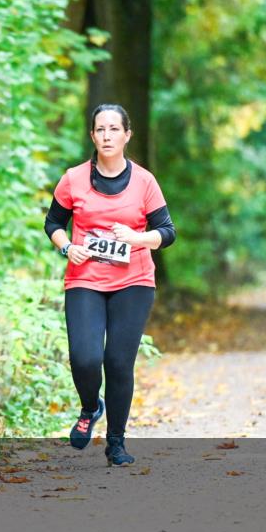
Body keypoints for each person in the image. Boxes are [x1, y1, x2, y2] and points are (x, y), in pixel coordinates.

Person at [44, 104, 176, 467]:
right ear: (92, 135)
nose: (107, 136)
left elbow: (167, 232)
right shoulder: (73, 179)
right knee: (85, 358)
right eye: (100, 129)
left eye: (114, 129)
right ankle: (90, 407)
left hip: (134, 281)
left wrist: (136, 238)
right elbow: (53, 223)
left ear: (127, 135)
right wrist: (67, 247)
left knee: (118, 362)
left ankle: (116, 443)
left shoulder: (144, 182)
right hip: (85, 278)